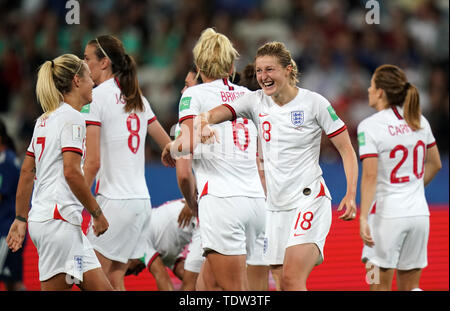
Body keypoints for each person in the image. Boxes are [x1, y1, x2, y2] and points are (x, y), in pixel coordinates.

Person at [172, 41, 359, 291]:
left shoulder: (314, 103)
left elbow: (346, 149)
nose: (263, 77)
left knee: (292, 279)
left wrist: (350, 193)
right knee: (281, 281)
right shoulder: (254, 101)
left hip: (309, 199)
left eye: (269, 70)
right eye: (259, 71)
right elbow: (216, 114)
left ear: (288, 70)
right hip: (273, 208)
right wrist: (202, 122)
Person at [166, 28, 268, 291]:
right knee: (205, 286)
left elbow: (185, 160)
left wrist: (172, 147)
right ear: (231, 64)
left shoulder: (194, 95)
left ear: (199, 65)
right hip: (256, 203)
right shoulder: (248, 96)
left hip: (222, 203)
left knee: (237, 292)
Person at [6, 54, 113, 291]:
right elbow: (72, 173)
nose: (93, 82)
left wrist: (21, 218)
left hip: (57, 222)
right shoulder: (73, 118)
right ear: (76, 80)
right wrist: (96, 212)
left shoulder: (44, 120)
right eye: (88, 76)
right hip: (58, 222)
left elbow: (27, 171)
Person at [82, 35, 174, 291]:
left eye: (87, 58)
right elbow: (168, 146)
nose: (83, 63)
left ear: (104, 63)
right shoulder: (138, 100)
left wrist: (77, 202)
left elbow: (92, 163)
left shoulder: (96, 98)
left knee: (86, 276)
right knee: (113, 279)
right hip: (141, 203)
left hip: (114, 202)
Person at [358, 64, 442, 291]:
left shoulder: (369, 126)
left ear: (381, 92)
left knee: (377, 285)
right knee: (411, 287)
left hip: (386, 217)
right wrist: (413, 187)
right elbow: (435, 164)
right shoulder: (419, 120)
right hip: (419, 216)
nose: (368, 89)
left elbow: (370, 176)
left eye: (372, 85)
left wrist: (363, 217)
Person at [126, 199, 201, 291]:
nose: (135, 274)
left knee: (189, 287)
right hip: (198, 218)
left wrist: (192, 201)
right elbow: (184, 271)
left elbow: (162, 277)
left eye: (129, 271)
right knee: (199, 282)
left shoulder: (138, 244)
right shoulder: (161, 250)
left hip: (198, 213)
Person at [0, 119, 25, 291]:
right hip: (6, 229)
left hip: (6, 232)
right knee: (12, 282)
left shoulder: (7, 163)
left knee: (13, 282)